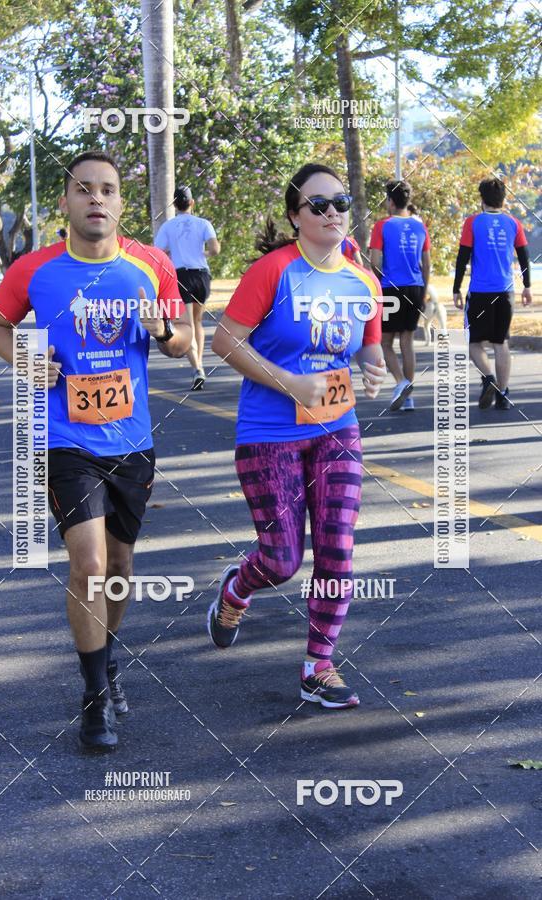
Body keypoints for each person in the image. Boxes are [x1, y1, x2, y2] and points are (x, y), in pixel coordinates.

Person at [0, 150, 192, 750]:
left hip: (131, 440)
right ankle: (94, 698)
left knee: (122, 570)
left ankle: (106, 661)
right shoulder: (34, 269)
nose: (96, 198)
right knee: (90, 565)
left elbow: (183, 342)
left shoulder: (152, 265)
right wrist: (25, 358)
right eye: (84, 189)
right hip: (64, 437)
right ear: (66, 202)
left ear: (121, 203)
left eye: (107, 190)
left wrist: (162, 329)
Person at [208, 163, 386, 710]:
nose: (332, 211)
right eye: (318, 204)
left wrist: (373, 370)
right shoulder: (273, 271)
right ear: (295, 216)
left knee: (337, 548)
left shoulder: (364, 282)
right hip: (269, 434)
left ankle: (319, 666)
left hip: (338, 429)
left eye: (340, 201)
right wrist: (290, 382)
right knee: (282, 559)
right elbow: (224, 342)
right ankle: (237, 588)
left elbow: (368, 348)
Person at [453, 176, 532, 410]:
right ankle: (503, 395)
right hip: (505, 291)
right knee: (501, 343)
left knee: (473, 342)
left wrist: (456, 287)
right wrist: (527, 286)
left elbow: (463, 257)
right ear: (503, 198)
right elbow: (525, 257)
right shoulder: (514, 223)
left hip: (479, 292)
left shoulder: (473, 223)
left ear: (482, 199)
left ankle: (488, 377)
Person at [369, 180, 431, 412]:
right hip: (416, 288)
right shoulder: (419, 226)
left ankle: (402, 382)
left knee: (384, 342)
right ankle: (409, 396)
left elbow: (375, 262)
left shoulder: (381, 226)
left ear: (391, 201)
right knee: (407, 341)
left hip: (391, 289)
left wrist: (375, 285)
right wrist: (423, 291)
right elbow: (426, 265)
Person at [154, 185, 220, 390]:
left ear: (174, 204)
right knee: (197, 322)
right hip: (201, 275)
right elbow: (215, 249)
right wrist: (203, 255)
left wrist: (173, 254)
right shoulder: (203, 223)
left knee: (187, 324)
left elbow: (158, 252)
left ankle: (198, 367)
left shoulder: (168, 226)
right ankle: (199, 365)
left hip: (180, 275)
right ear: (192, 203)